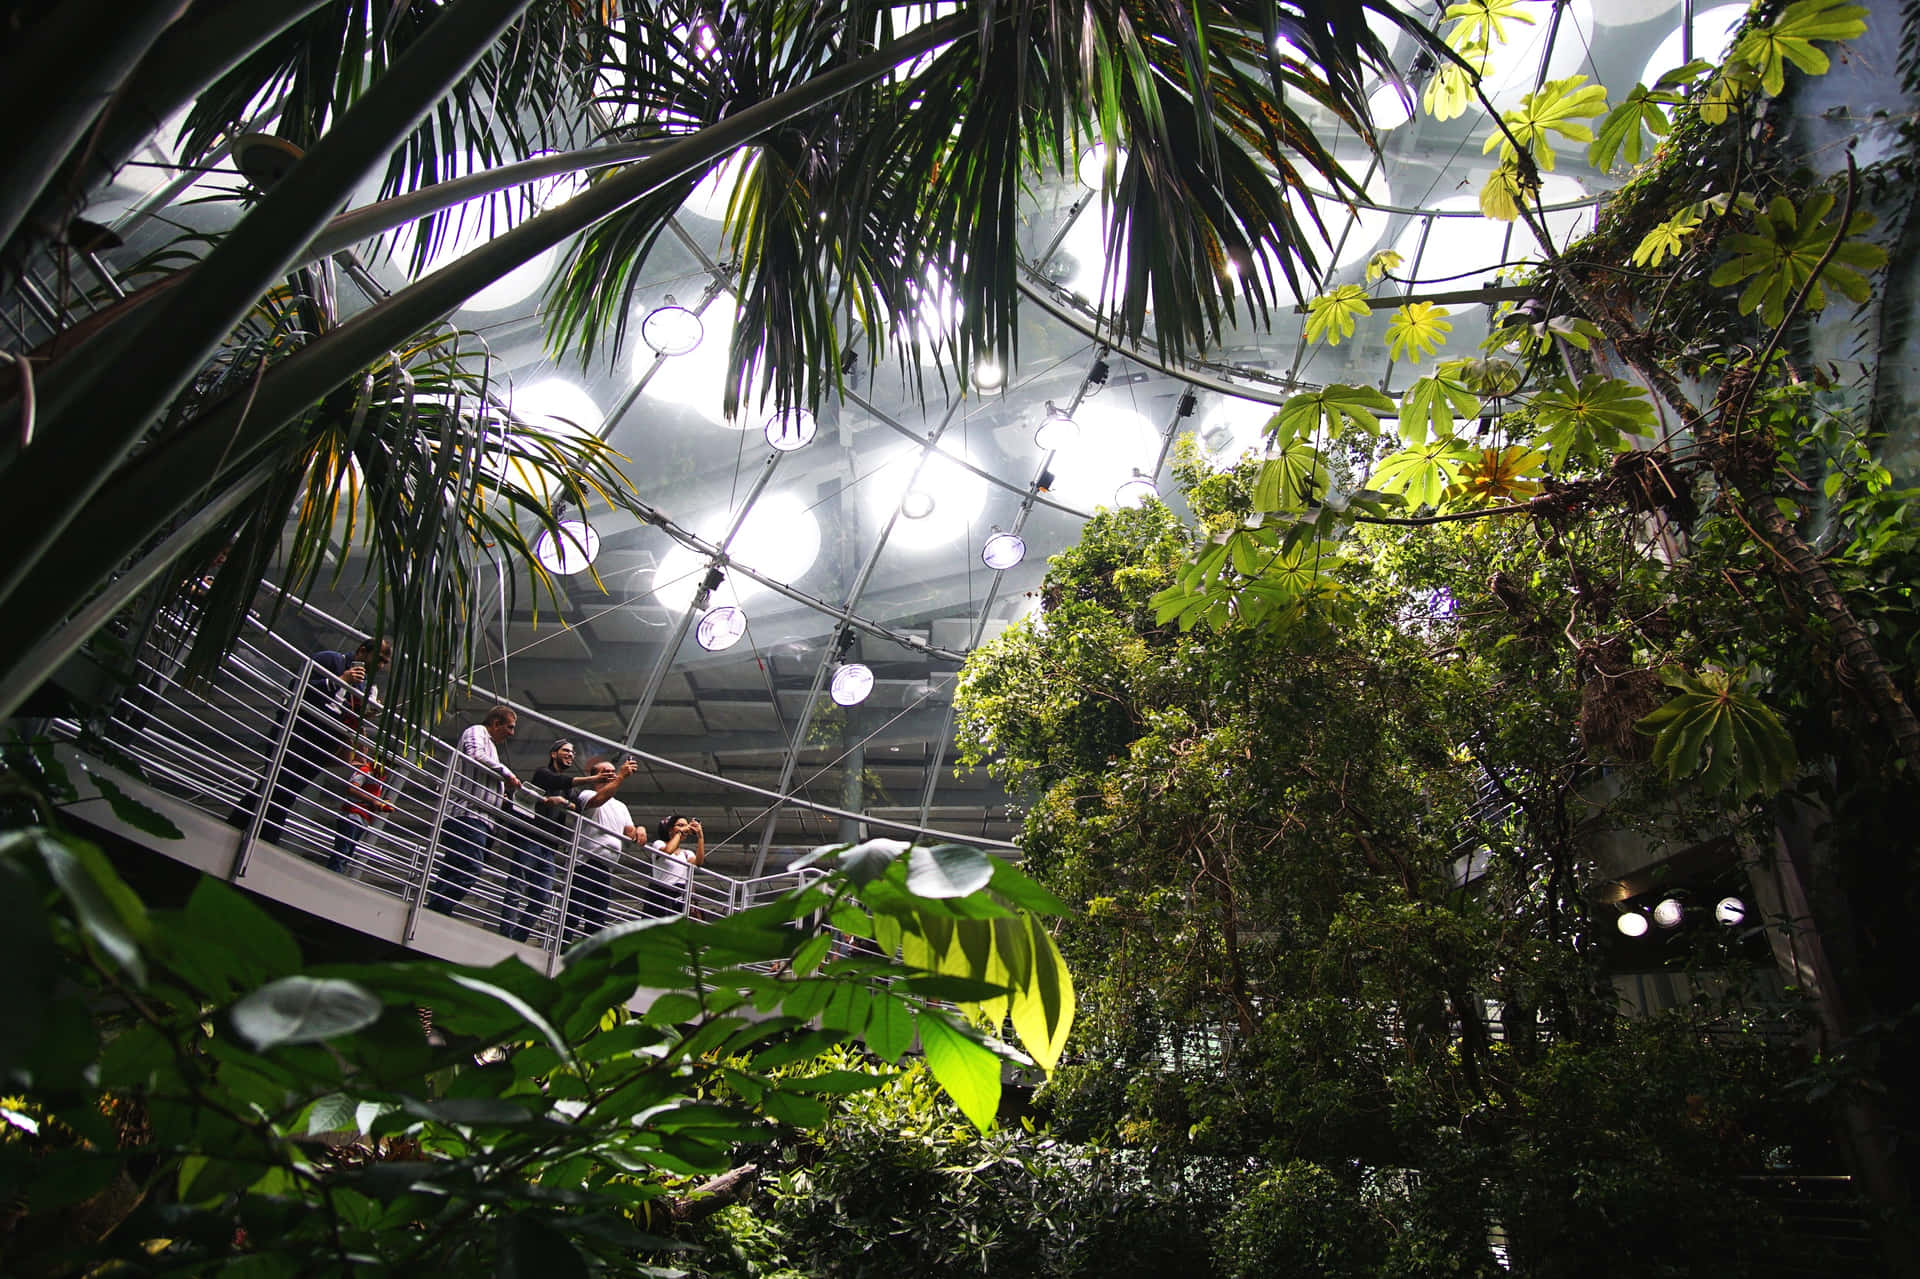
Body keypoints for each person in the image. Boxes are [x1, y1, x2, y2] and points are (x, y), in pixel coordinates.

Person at [228, 636, 389, 846]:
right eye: (378, 659)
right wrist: (340, 680)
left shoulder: (364, 685)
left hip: (323, 742)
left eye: (384, 662)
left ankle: (256, 837)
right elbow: (298, 685)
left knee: (288, 791)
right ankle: (253, 836)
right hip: (297, 730)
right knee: (278, 784)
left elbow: (347, 713)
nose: (380, 666)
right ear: (362, 652)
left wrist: (366, 713)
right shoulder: (330, 660)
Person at [424, 704, 521, 920]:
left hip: (480, 819)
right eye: (510, 727)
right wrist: (507, 774)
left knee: (454, 868)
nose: (511, 733)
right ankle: (435, 912)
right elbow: (475, 755)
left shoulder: (493, 747)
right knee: (469, 868)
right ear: (495, 723)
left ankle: (434, 910)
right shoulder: (477, 731)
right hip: (467, 814)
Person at [502, 739, 582, 943]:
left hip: (548, 846)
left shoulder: (569, 791)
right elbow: (555, 782)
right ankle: (506, 935)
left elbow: (578, 805)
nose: (570, 755)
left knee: (543, 896)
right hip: (530, 838)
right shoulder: (542, 774)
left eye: (572, 752)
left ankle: (518, 936)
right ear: (553, 754)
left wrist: (568, 805)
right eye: (566, 751)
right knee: (517, 887)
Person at [567, 754, 643, 940]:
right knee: (574, 909)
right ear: (595, 777)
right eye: (605, 771)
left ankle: (588, 955)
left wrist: (640, 829)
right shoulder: (587, 795)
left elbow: (630, 832)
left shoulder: (621, 806)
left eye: (612, 771)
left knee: (597, 916)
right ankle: (562, 945)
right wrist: (621, 777)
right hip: (586, 863)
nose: (610, 773)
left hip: (606, 867)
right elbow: (599, 800)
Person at [328, 747, 394, 875]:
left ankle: (335, 876)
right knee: (343, 852)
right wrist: (373, 801)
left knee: (347, 853)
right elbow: (352, 789)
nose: (388, 769)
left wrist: (382, 803)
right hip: (352, 815)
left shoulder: (379, 779)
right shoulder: (366, 771)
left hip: (362, 819)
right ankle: (333, 877)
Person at [644, 814, 707, 917]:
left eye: (686, 825)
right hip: (662, 893)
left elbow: (699, 862)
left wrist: (700, 836)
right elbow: (667, 851)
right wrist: (680, 832)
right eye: (680, 825)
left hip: (679, 894)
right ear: (670, 829)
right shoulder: (658, 844)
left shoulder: (686, 853)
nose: (685, 828)